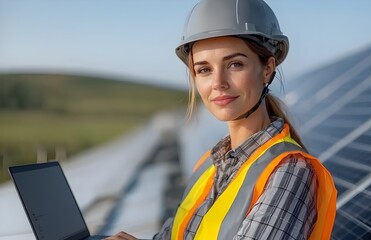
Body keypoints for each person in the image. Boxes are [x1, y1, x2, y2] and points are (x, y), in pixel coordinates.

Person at [106, 0, 337, 239]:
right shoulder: (209, 165)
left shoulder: (288, 172)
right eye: (204, 69)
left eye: (235, 64)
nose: (218, 83)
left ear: (267, 69)